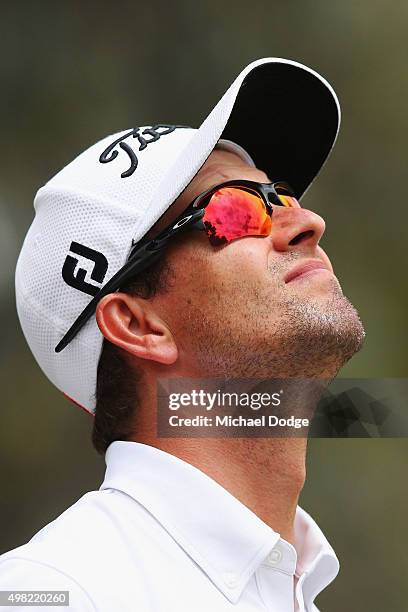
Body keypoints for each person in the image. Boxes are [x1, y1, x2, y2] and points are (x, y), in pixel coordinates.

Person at [0, 58, 364, 611]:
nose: (305, 222)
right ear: (139, 325)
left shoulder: (294, 585)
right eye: (234, 209)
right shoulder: (52, 592)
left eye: (282, 197)